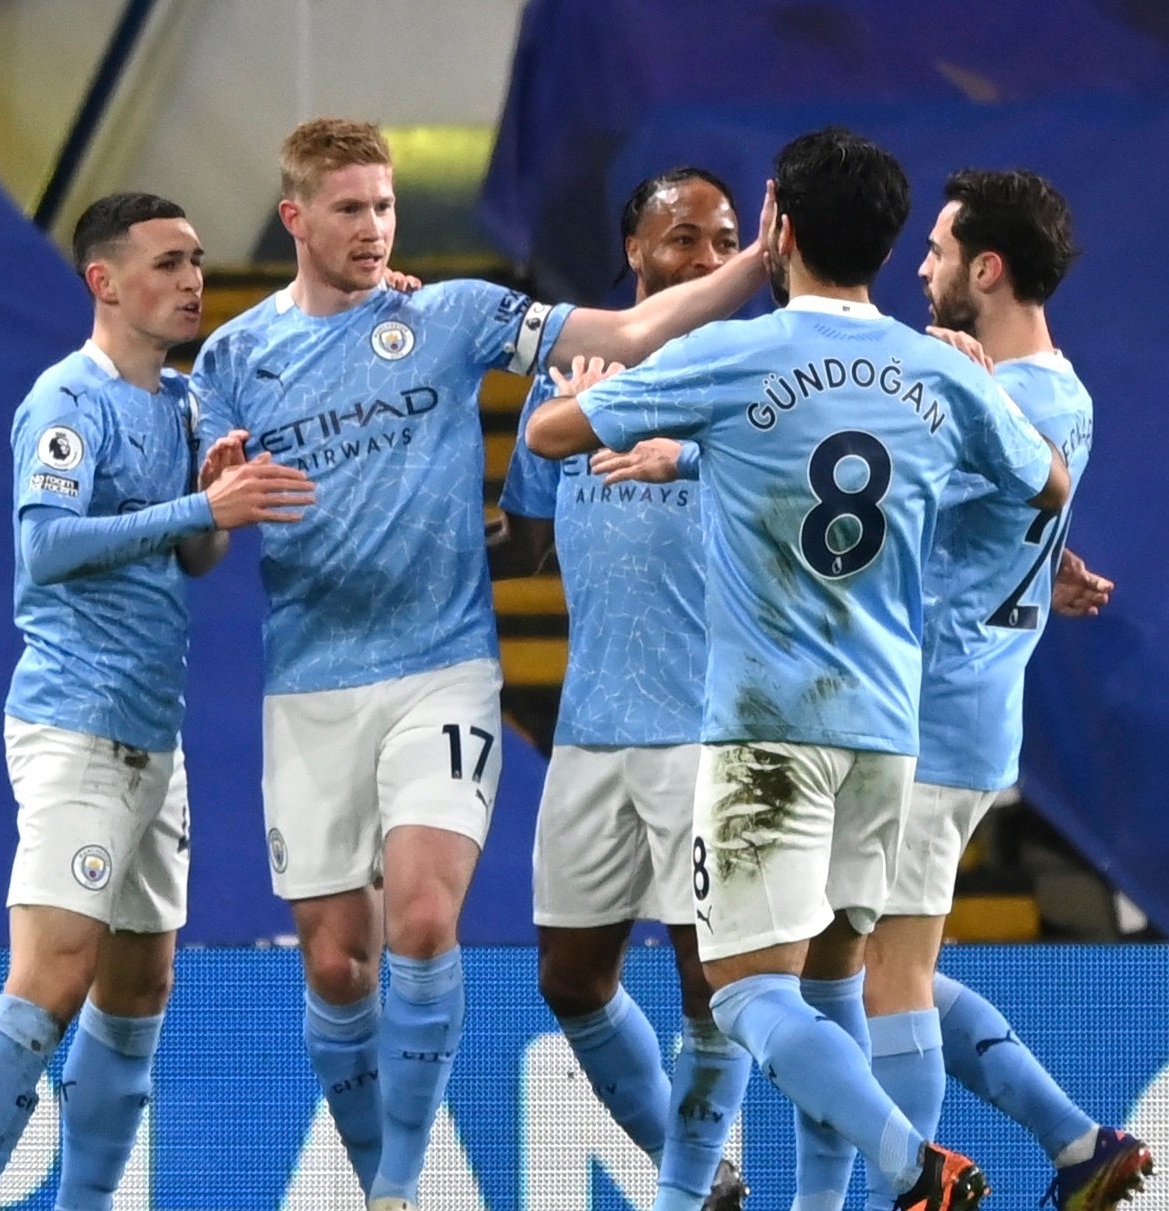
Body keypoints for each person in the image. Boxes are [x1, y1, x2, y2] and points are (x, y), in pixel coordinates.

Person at [192, 118, 767, 1211]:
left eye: (386, 205)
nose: (373, 228)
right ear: (295, 218)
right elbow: (203, 546)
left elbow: (628, 330)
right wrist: (211, 499)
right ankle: (383, 1180)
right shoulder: (231, 358)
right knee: (335, 966)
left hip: (445, 668)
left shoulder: (449, 312)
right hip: (310, 680)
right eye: (351, 208)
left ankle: (415, 1187)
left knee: (420, 920)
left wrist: (754, 267)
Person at [527, 127, 1071, 1211]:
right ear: (883, 237)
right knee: (833, 993)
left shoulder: (738, 353)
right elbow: (1047, 484)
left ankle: (910, 1155)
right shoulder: (934, 367)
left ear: (776, 224)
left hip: (766, 730)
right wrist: (971, 398)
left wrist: (622, 402)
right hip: (884, 731)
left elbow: (550, 433)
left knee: (742, 995)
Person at [0, 193, 315, 1211]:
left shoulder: (183, 401)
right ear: (104, 281)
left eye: (195, 260)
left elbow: (192, 554)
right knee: (52, 979)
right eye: (167, 264)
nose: (191, 279)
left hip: (154, 730)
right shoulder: (67, 399)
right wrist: (200, 504)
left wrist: (210, 496)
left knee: (137, 989)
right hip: (77, 721)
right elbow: (43, 550)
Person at [847, 168, 1149, 1211]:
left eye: (935, 250)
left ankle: (915, 1186)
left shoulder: (997, 394)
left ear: (985, 268)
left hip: (929, 719)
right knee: (882, 966)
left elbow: (879, 514)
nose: (919, 267)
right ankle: (1073, 1142)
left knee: (878, 977)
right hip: (968, 715)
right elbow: (999, 522)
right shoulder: (1064, 392)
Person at [495, 167, 753, 1211]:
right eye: (682, 238)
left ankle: (686, 1196)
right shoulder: (572, 380)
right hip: (593, 729)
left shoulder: (752, 374)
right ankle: (705, 1177)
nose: (702, 257)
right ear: (634, 251)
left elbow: (791, 497)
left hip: (707, 728)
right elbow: (525, 543)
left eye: (722, 238)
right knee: (569, 977)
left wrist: (684, 452)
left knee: (714, 989)